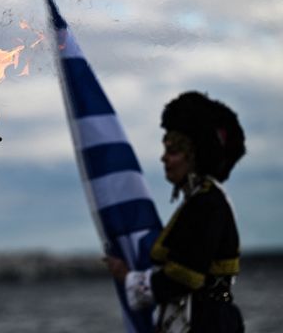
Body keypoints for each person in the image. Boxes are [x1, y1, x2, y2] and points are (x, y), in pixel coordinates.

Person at [105, 91, 246, 333]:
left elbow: (183, 277)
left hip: (207, 324)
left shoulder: (207, 203)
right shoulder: (200, 200)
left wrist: (128, 277)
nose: (164, 158)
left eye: (172, 151)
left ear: (193, 157)